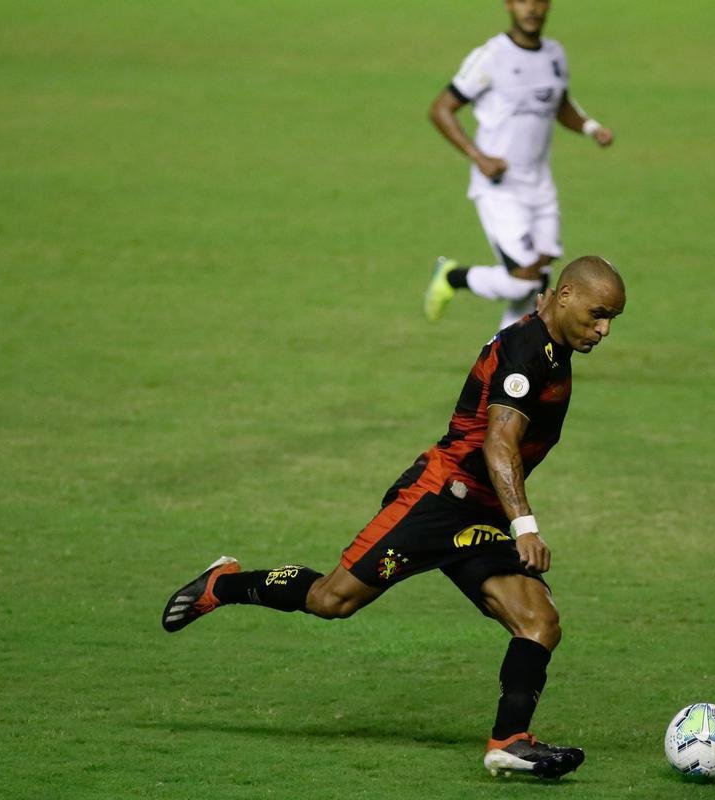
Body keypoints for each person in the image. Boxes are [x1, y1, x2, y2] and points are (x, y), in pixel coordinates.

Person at [162, 256, 626, 780]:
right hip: (436, 502)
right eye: (598, 314)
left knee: (539, 621)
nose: (604, 329)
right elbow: (499, 442)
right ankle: (224, 584)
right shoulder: (524, 353)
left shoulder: (555, 349)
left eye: (612, 319)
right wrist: (525, 525)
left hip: (479, 515)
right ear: (564, 296)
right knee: (331, 601)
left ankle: (509, 742)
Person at [424, 0, 614, 331]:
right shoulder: (491, 56)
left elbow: (560, 103)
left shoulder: (554, 54)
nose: (532, 9)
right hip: (500, 188)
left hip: (540, 184)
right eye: (524, 1)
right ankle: (453, 277)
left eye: (539, 1)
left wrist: (590, 127)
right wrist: (478, 156)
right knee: (524, 277)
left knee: (538, 285)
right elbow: (441, 109)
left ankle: (505, 359)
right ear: (509, 5)